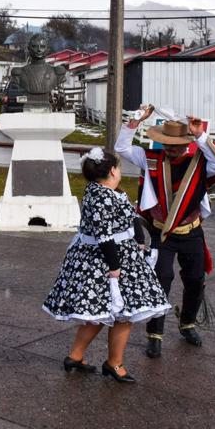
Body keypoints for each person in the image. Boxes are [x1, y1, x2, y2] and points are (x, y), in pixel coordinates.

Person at [42, 147, 170, 384]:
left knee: (98, 314)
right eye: (118, 167)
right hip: (107, 260)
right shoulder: (102, 197)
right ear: (112, 171)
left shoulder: (103, 191)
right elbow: (104, 236)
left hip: (112, 255)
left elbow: (131, 218)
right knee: (124, 314)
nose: (120, 171)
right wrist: (115, 267)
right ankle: (114, 363)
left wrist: (140, 241)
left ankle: (76, 356)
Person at [115, 106, 215, 355]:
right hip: (161, 233)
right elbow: (122, 148)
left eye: (176, 144)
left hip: (191, 232)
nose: (171, 149)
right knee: (160, 279)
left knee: (195, 280)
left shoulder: (199, 164)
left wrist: (200, 135)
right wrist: (134, 122)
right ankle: (154, 334)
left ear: (187, 143)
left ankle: (187, 323)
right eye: (167, 144)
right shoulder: (151, 159)